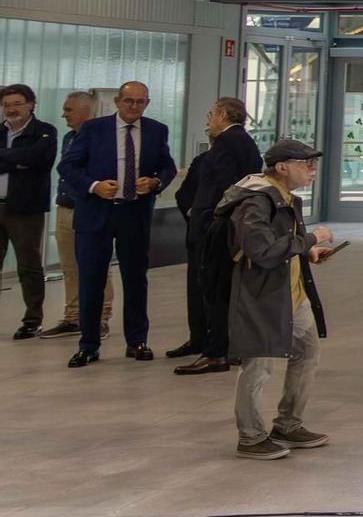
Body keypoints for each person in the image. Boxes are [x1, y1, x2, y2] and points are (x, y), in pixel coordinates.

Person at [217, 139, 334, 461]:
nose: (312, 169)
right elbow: (262, 251)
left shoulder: (286, 199)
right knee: (258, 364)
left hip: (291, 294)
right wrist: (312, 238)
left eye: (314, 162)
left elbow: (279, 242)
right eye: (305, 163)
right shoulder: (256, 201)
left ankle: (288, 424)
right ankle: (251, 437)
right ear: (282, 167)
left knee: (307, 353)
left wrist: (306, 252)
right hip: (263, 295)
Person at [56, 80, 176, 367]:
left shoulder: (156, 130)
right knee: (91, 280)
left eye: (140, 102)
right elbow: (68, 166)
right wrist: (94, 186)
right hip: (96, 212)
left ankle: (137, 341)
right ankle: (88, 344)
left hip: (134, 213)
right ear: (118, 102)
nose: (134, 107)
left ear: (147, 103)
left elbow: (167, 165)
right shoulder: (94, 129)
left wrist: (157, 181)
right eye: (129, 101)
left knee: (136, 279)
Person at [170, 98, 260, 373]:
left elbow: (221, 186)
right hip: (221, 226)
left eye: (211, 114)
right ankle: (212, 343)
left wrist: (206, 216)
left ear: (222, 115)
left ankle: (216, 351)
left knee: (214, 289)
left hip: (216, 229)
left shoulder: (228, 143)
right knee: (214, 288)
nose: (208, 120)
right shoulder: (242, 143)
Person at [41, 92, 111, 341]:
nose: (64, 114)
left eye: (69, 110)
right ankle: (73, 316)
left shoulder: (102, 137)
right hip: (66, 206)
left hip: (90, 208)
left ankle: (100, 317)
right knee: (69, 266)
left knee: (96, 264)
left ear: (85, 111)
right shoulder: (70, 137)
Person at [0, 84, 58, 340]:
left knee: (28, 265)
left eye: (17, 104)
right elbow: (25, 159)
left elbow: (38, 159)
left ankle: (32, 320)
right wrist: (17, 159)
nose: (11, 109)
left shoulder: (44, 131)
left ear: (31, 105)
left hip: (25, 209)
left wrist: (10, 158)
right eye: (7, 105)